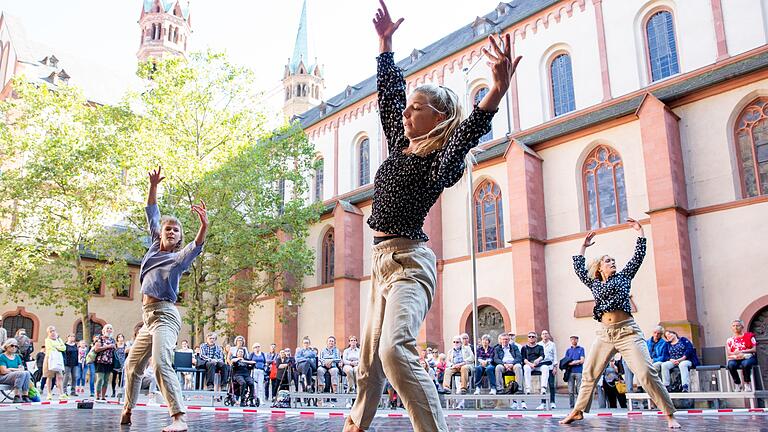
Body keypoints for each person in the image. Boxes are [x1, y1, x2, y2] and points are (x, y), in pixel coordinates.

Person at [345, 2, 520, 430]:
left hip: (409, 264)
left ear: (439, 118)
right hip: (379, 264)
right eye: (407, 108)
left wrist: (494, 94)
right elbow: (389, 95)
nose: (406, 112)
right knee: (368, 364)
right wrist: (385, 46)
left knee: (394, 350)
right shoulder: (398, 141)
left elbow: (463, 138)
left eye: (416, 108)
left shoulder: (440, 159)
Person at [561, 219, 679, 428]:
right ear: (599, 267)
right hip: (605, 333)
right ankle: (578, 411)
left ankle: (669, 414)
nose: (613, 262)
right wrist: (583, 246)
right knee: (590, 373)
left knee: (645, 372)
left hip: (628, 332)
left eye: (613, 260)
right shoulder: (594, 282)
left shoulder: (624, 276)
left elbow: (638, 258)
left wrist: (640, 232)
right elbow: (579, 267)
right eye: (608, 261)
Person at [121, 165, 208, 432]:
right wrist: (153, 186)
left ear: (179, 238)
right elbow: (152, 211)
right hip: (147, 319)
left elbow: (196, 247)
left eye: (176, 231)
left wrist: (203, 226)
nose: (171, 232)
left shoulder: (177, 259)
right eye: (168, 229)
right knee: (131, 366)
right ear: (160, 233)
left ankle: (178, 418)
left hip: (166, 316)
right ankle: (127, 408)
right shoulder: (152, 246)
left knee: (160, 362)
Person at [726, 319, 758, 392]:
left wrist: (742, 351)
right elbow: (729, 352)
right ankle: (737, 384)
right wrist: (736, 354)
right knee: (730, 365)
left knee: (745, 364)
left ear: (742, 327)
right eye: (733, 326)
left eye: (737, 325)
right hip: (736, 358)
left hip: (749, 357)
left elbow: (754, 349)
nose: (735, 327)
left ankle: (747, 383)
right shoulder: (730, 340)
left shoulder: (749, 336)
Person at [0, 338, 33, 402]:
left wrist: (10, 369)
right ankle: (17, 396)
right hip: (3, 377)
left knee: (26, 373)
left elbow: (22, 369)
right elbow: (3, 371)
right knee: (21, 373)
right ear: (7, 346)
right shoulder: (2, 356)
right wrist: (17, 370)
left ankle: (25, 396)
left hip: (15, 376)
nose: (14, 347)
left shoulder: (17, 357)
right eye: (12, 345)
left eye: (16, 346)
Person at [493, 333, 523, 398]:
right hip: (503, 364)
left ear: (509, 340)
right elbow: (496, 359)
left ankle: (519, 388)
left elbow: (519, 357)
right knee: (498, 367)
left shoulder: (514, 347)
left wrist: (512, 364)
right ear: (500, 340)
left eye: (506, 339)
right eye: (503, 339)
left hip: (513, 364)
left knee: (518, 366)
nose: (505, 341)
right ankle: (499, 389)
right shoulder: (497, 348)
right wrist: (504, 364)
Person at [43, 325, 67, 400]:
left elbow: (63, 348)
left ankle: (61, 393)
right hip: (50, 359)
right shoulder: (47, 340)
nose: (53, 333)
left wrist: (57, 347)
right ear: (48, 333)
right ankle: (49, 393)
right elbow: (51, 348)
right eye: (51, 331)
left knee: (60, 376)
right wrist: (58, 347)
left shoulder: (59, 339)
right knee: (49, 376)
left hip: (58, 359)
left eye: (54, 331)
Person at [537, 330, 557, 409]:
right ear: (541, 336)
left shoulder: (552, 344)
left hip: (550, 366)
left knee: (551, 385)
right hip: (542, 367)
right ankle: (543, 403)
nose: (545, 335)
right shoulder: (539, 344)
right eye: (543, 334)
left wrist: (555, 367)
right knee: (543, 385)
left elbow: (555, 355)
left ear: (548, 335)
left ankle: (552, 402)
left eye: (546, 334)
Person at [564, 335, 585, 409]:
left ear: (577, 340)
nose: (574, 341)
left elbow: (582, 360)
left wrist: (573, 362)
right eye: (572, 339)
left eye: (575, 339)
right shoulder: (568, 350)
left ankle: (579, 406)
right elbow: (566, 362)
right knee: (570, 391)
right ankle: (572, 406)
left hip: (578, 371)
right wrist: (577, 362)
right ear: (570, 341)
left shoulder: (581, 349)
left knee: (579, 389)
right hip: (570, 372)